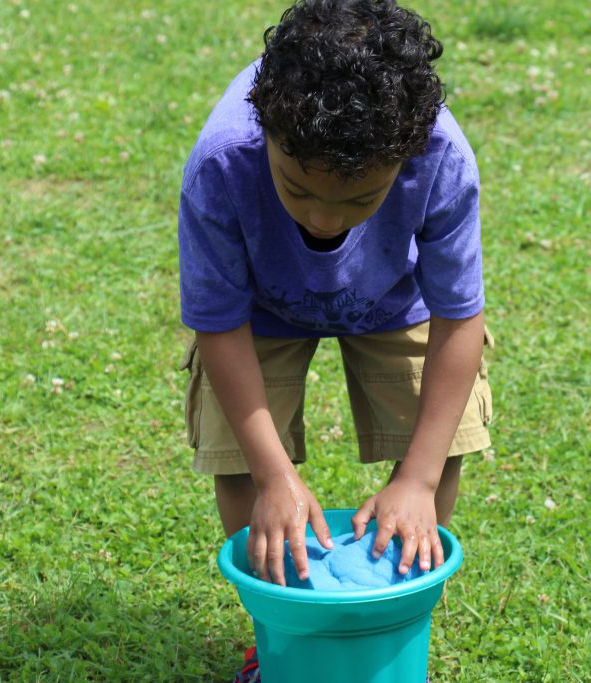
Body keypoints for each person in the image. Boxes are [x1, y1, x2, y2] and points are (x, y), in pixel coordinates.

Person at [177, 0, 492, 678]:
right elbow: (218, 323)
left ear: (404, 160)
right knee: (236, 454)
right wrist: (273, 475)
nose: (324, 218)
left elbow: (459, 317)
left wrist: (418, 475)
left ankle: (388, 620)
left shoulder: (441, 157)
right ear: (266, 132)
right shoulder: (222, 162)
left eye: (358, 200)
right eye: (296, 189)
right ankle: (281, 630)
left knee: (446, 435)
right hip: (260, 309)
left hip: (392, 294)